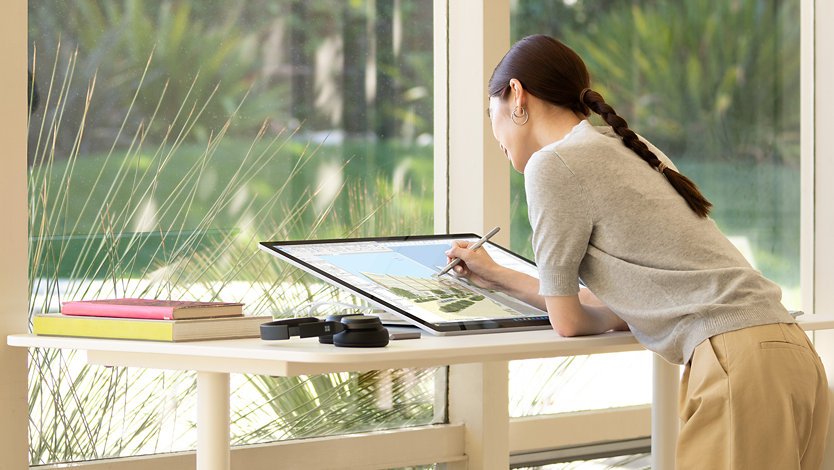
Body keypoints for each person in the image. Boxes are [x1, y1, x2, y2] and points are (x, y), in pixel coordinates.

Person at [445, 34, 829, 470]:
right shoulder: (627, 146)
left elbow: (568, 321)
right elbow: (621, 304)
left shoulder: (551, 164)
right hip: (788, 353)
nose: (492, 129)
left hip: (736, 365)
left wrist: (599, 312)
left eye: (489, 110)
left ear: (516, 95)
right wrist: (495, 273)